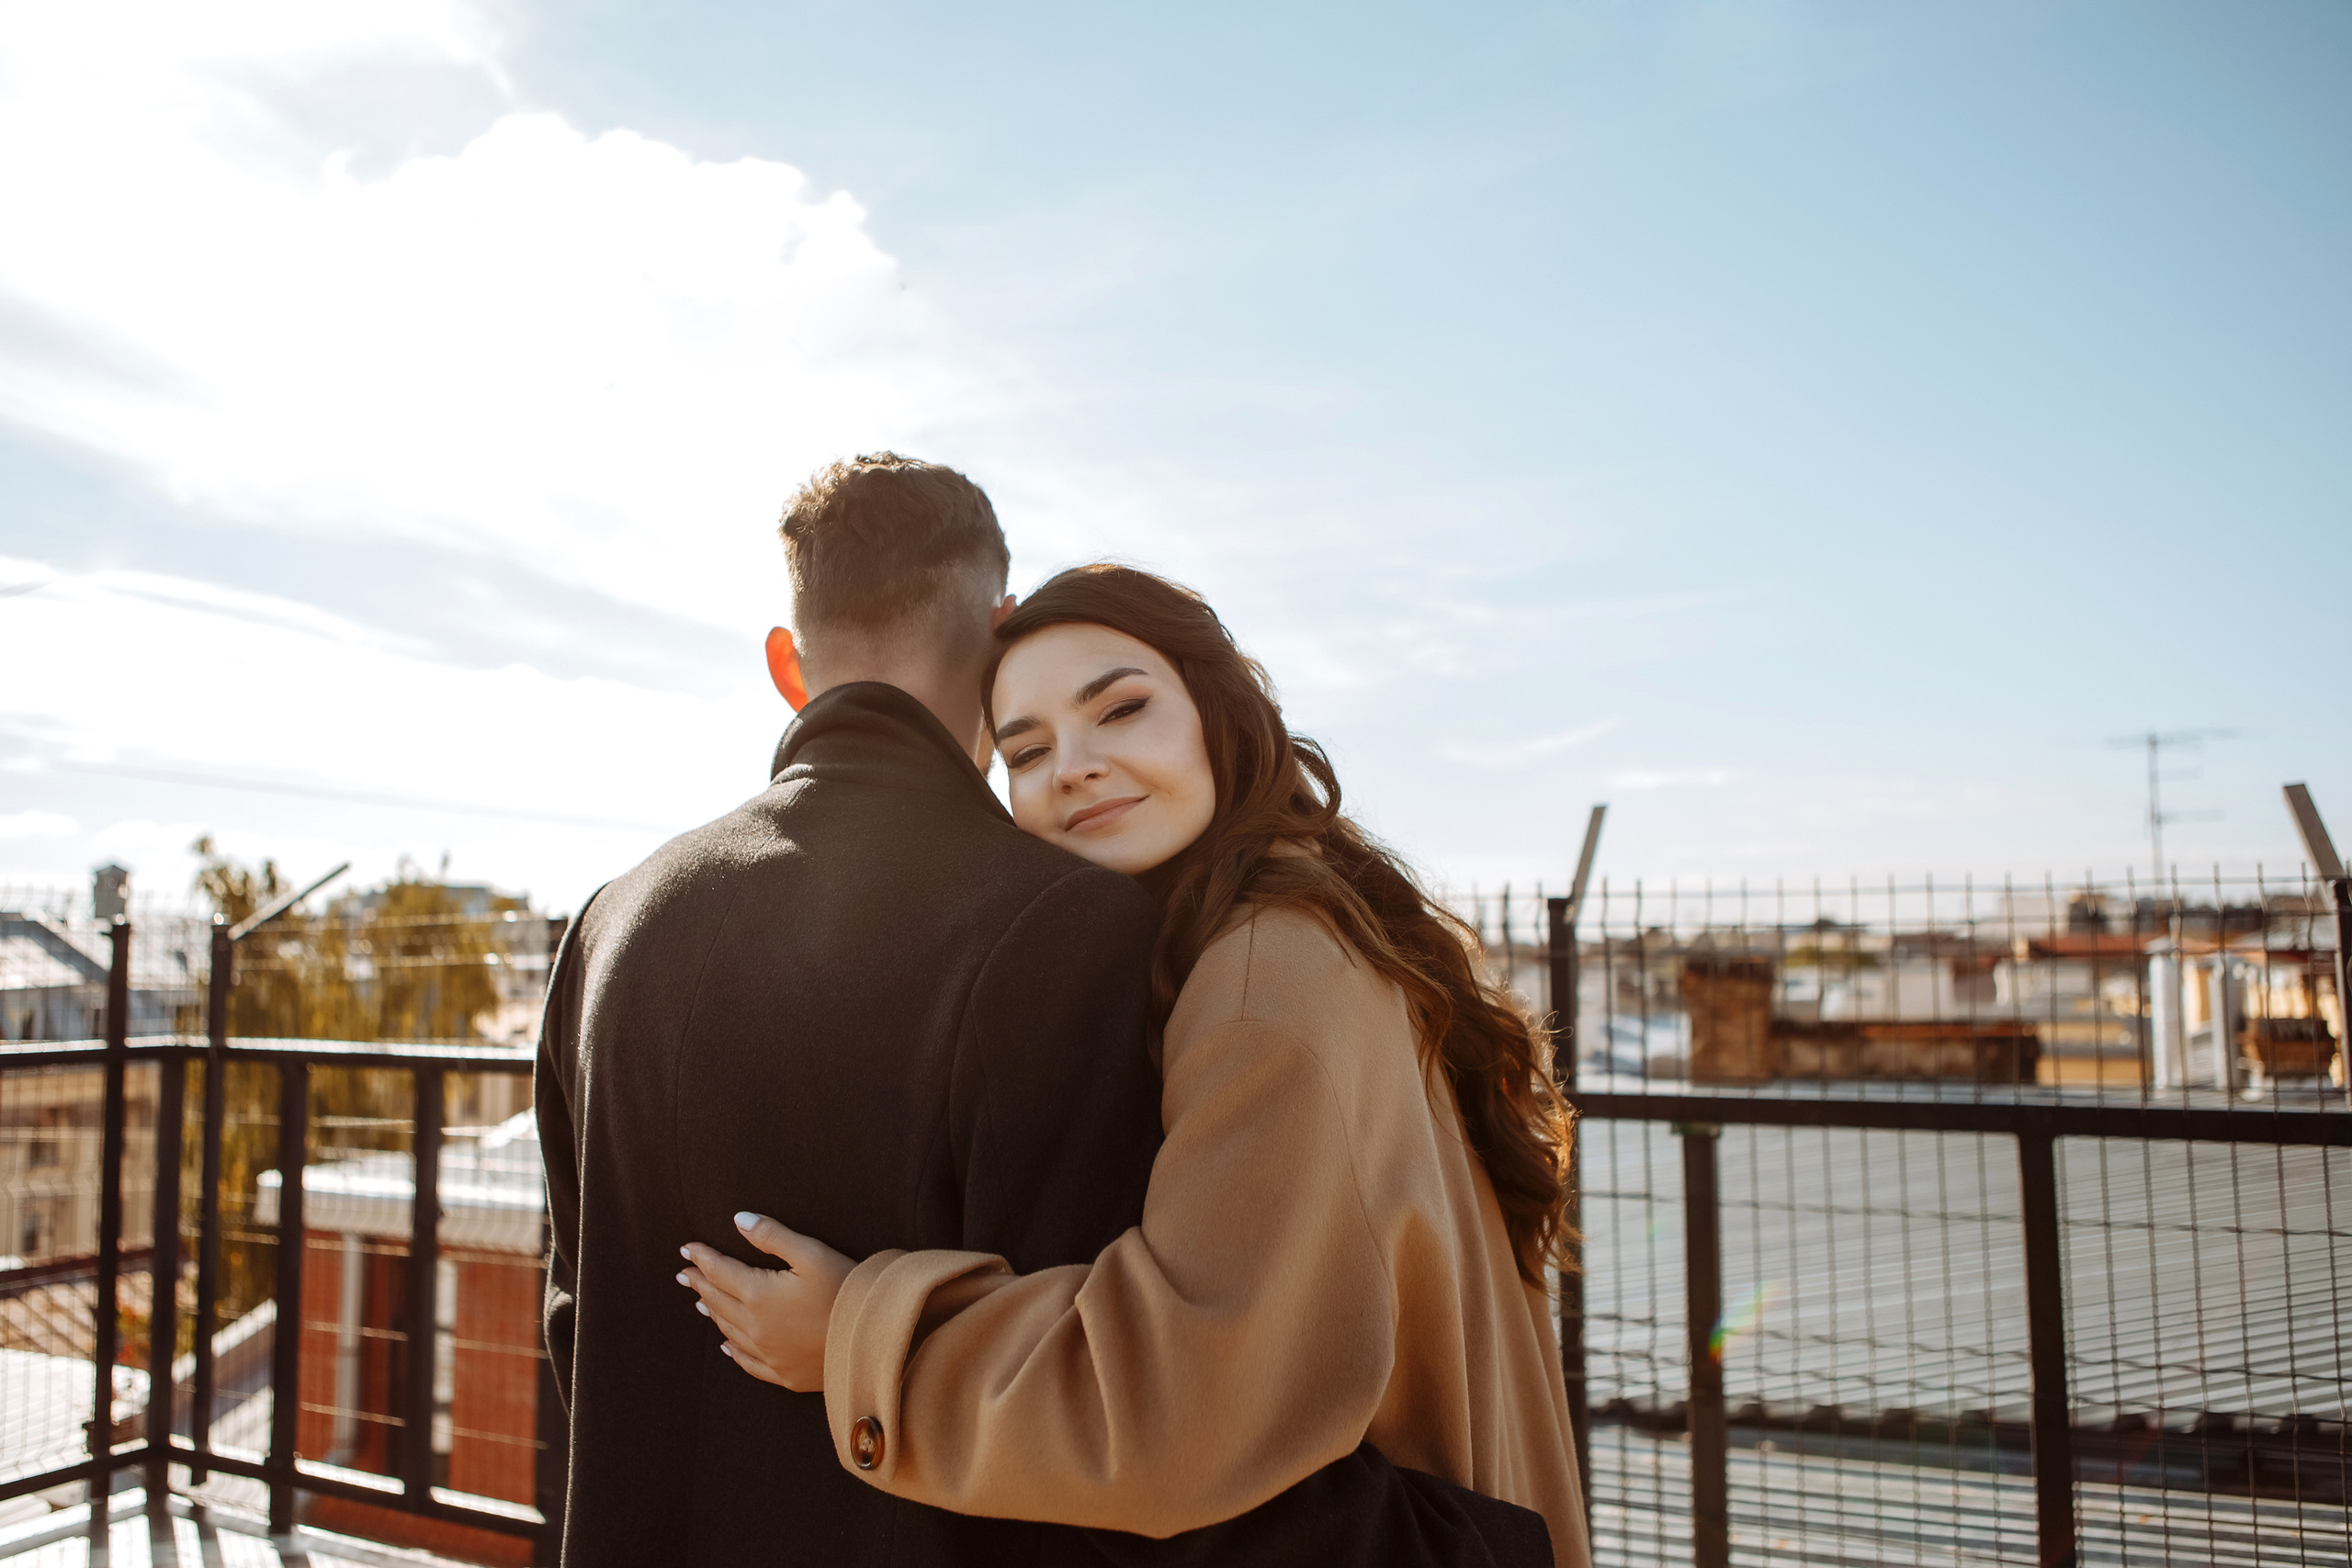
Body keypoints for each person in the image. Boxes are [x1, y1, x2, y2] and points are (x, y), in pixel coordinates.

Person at [538, 455, 1553, 1566]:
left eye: (1120, 708)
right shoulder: (1120, 931)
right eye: (1026, 747)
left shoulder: (608, 922)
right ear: (996, 628)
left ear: (788, 663)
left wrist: (858, 1340)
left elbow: (579, 1329)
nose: (1072, 770)